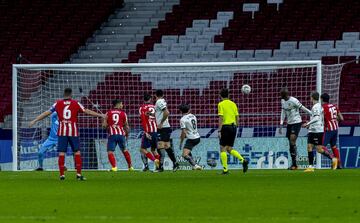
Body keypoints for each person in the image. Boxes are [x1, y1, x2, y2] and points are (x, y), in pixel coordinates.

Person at [30, 88, 104, 180]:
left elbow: (46, 113)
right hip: (72, 131)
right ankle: (79, 175)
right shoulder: (76, 103)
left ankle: (62, 175)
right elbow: (87, 111)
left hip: (62, 132)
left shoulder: (57, 103)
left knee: (61, 153)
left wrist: (35, 120)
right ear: (71, 94)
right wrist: (101, 115)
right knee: (77, 152)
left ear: (63, 94)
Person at [303, 92, 338, 172]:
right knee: (310, 147)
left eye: (310, 97)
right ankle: (311, 166)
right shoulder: (319, 106)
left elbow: (317, 118)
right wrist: (309, 124)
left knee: (318, 149)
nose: (310, 99)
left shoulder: (316, 107)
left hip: (317, 130)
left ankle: (333, 158)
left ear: (312, 98)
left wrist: (307, 124)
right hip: (314, 129)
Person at [279, 88, 312, 170]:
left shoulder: (294, 100)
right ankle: (294, 164)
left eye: (281, 95)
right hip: (289, 123)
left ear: (285, 95)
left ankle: (294, 164)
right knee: (291, 143)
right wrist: (281, 124)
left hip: (297, 122)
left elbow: (303, 108)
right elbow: (283, 113)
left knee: (292, 139)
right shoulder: (283, 101)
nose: (280, 96)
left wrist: (312, 114)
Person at [217, 88, 248, 174]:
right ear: (228, 95)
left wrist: (219, 130)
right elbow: (237, 117)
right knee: (229, 149)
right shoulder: (233, 104)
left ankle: (225, 170)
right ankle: (243, 160)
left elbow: (221, 118)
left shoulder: (220, 104)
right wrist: (236, 126)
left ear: (220, 95)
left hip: (225, 127)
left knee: (222, 148)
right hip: (233, 127)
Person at [103, 99, 133, 171]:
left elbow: (104, 126)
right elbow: (127, 126)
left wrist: (106, 123)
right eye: (121, 104)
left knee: (110, 151)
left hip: (112, 135)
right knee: (124, 150)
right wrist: (127, 134)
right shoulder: (123, 113)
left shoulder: (108, 113)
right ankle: (130, 167)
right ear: (118, 104)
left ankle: (114, 167)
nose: (122, 105)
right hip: (121, 135)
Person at [154, 90, 179, 172]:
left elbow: (166, 112)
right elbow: (161, 113)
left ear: (155, 95)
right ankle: (175, 164)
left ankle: (160, 167)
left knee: (160, 146)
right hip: (165, 127)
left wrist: (161, 123)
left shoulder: (159, 101)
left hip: (163, 127)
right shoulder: (162, 101)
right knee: (167, 146)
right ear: (163, 94)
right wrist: (151, 114)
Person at [321, 93, 344, 168]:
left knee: (321, 147)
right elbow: (341, 118)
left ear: (321, 99)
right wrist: (334, 119)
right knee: (333, 146)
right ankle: (339, 164)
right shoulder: (334, 106)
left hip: (328, 129)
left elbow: (320, 119)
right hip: (335, 129)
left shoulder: (323, 108)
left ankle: (334, 159)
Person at [139, 93, 160, 171]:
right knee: (154, 149)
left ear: (143, 99)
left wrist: (146, 132)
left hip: (148, 131)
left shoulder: (142, 108)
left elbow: (143, 120)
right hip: (155, 130)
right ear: (150, 99)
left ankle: (154, 161)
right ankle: (159, 167)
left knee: (142, 149)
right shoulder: (155, 107)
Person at [178, 104, 202, 170]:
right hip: (197, 137)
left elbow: (183, 132)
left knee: (184, 155)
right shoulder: (193, 116)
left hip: (192, 138)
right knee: (188, 150)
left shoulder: (182, 119)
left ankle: (195, 165)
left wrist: (181, 142)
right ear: (189, 110)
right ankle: (194, 165)